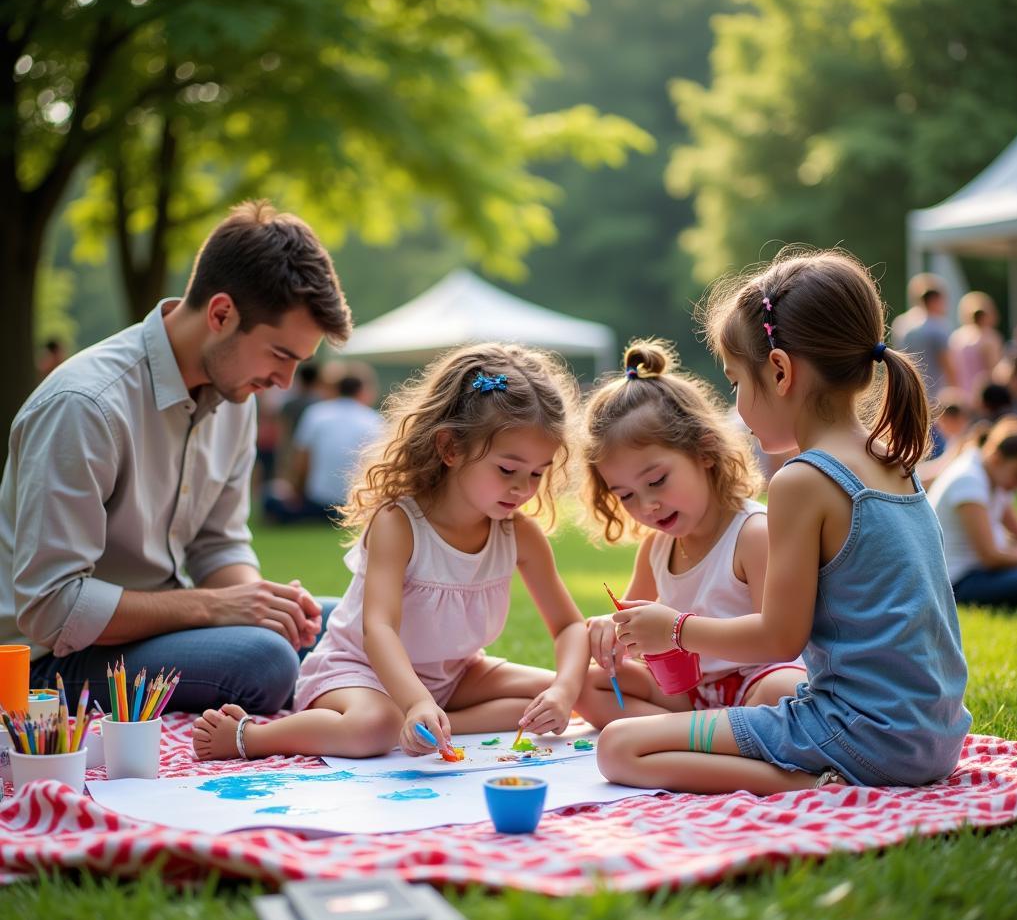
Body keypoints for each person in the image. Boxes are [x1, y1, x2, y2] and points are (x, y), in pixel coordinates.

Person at [599, 249, 971, 794]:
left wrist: (672, 629)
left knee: (619, 746)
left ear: (779, 371)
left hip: (862, 739)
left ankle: (807, 786)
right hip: (934, 738)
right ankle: (815, 773)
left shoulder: (803, 481)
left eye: (735, 383)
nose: (739, 405)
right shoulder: (894, 462)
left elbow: (779, 637)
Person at [0, 200, 352, 713]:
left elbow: (217, 545)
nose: (284, 382)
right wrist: (217, 608)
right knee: (266, 662)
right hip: (48, 661)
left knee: (352, 626)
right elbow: (53, 609)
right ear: (221, 314)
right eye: (280, 355)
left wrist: (264, 603)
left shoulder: (236, 395)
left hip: (162, 632)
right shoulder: (85, 405)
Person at [192, 342, 590, 761]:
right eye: (508, 470)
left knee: (566, 692)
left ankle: (434, 718)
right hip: (359, 673)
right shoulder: (399, 523)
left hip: (453, 676)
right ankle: (250, 736)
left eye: (537, 474)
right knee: (374, 728)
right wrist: (415, 699)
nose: (524, 489)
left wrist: (563, 692)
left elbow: (569, 626)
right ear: (450, 448)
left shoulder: (519, 535)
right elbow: (378, 627)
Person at [573, 338, 805, 731]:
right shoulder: (657, 548)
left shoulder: (752, 534)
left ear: (705, 452)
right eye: (625, 495)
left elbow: (778, 639)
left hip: (756, 684)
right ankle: (703, 734)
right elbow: (634, 625)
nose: (647, 505)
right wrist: (608, 631)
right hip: (688, 691)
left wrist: (677, 630)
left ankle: (682, 735)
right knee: (582, 682)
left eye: (657, 481)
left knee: (788, 691)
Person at [263, 360, 384, 523]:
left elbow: (301, 461)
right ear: (362, 391)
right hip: (357, 506)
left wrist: (297, 492)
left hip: (318, 504)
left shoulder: (316, 414)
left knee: (270, 495)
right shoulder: (374, 420)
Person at [927, 417, 1017, 607]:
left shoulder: (993, 476)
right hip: (957, 581)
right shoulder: (968, 479)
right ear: (996, 459)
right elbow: (990, 556)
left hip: (979, 573)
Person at [901, 282, 957, 403]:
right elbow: (946, 362)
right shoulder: (939, 328)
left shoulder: (908, 329)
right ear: (934, 301)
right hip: (936, 392)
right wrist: (955, 389)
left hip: (913, 388)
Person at [949, 292, 1004, 397]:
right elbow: (993, 373)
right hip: (983, 397)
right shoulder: (989, 337)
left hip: (961, 395)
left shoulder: (957, 337)